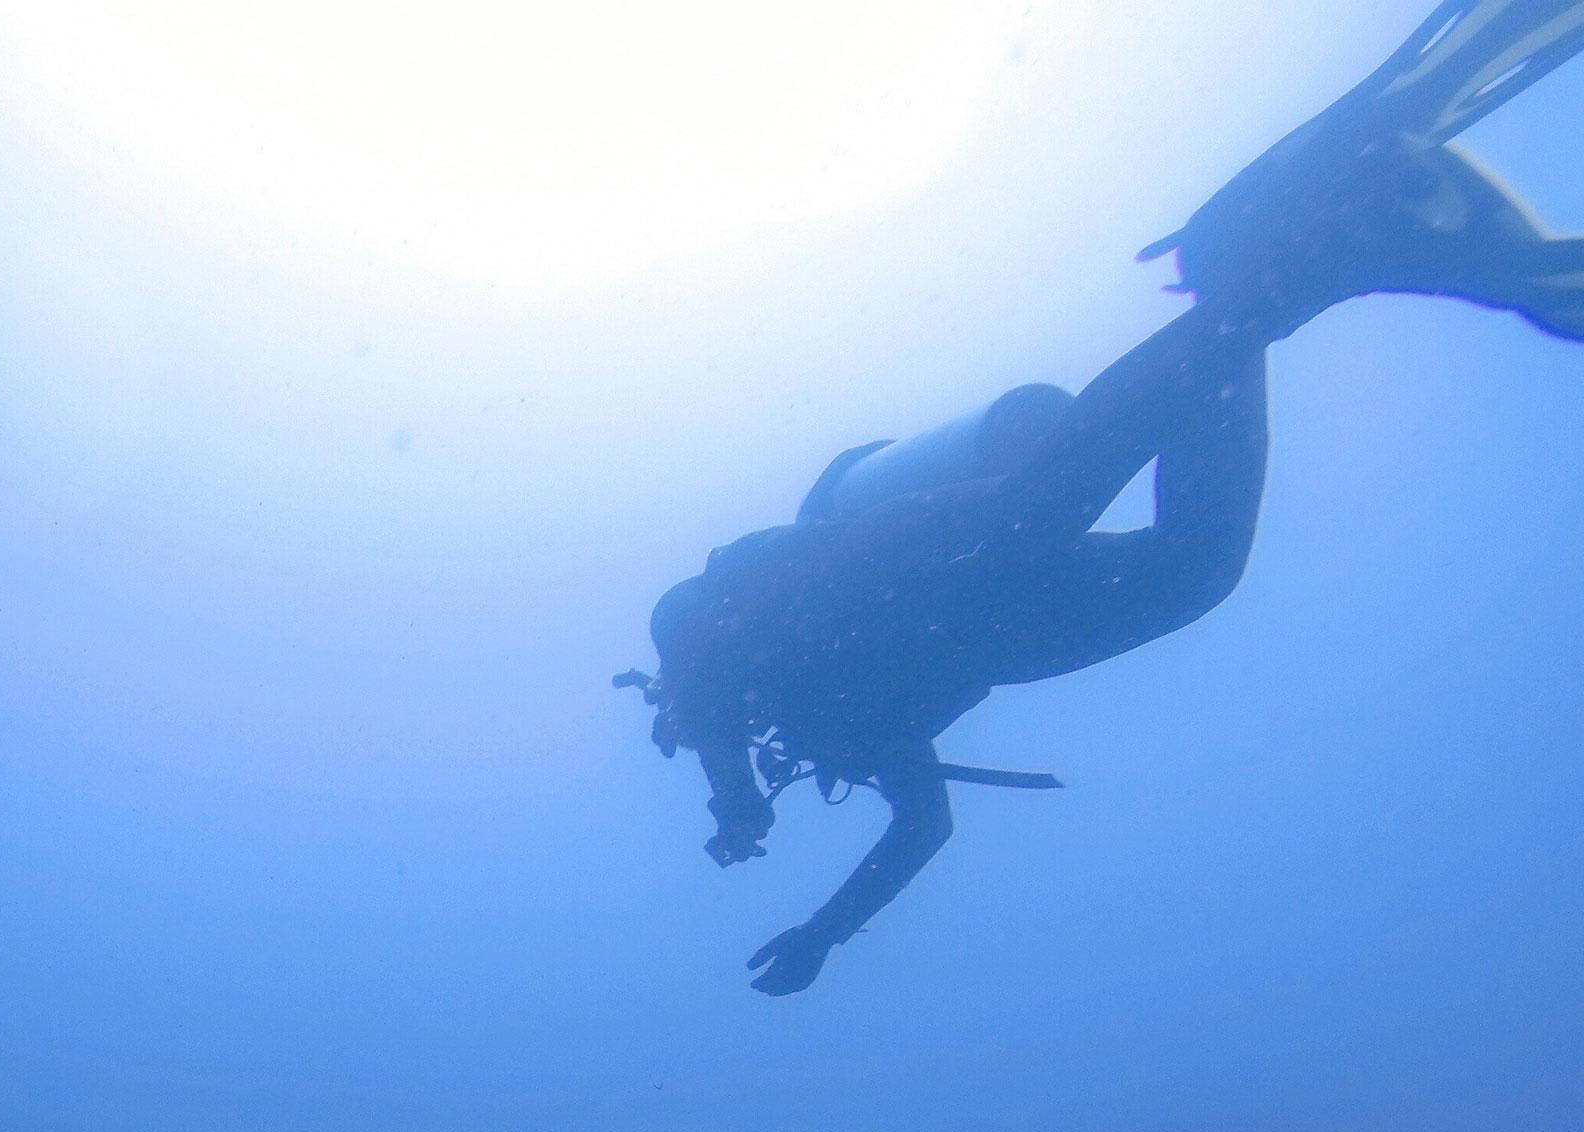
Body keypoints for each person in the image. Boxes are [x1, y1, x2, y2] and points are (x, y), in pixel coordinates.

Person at [628, 0, 1584, 995]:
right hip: (1008, 626)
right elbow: (925, 824)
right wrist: (825, 930)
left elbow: (690, 650)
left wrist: (736, 802)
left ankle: (1302, 263)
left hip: (895, 566)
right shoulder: (862, 731)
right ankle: (1277, 266)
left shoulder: (715, 646)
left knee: (1039, 503)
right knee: (1193, 574)